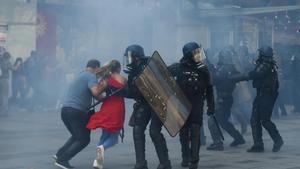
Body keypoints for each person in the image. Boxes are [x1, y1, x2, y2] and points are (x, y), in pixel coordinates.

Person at [121, 44, 171, 169]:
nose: (128, 60)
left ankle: (165, 163)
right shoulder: (132, 72)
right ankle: (141, 163)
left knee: (154, 132)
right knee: (137, 130)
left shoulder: (151, 66)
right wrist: (120, 92)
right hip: (144, 103)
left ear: (136, 57)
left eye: (130, 57)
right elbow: (134, 92)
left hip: (158, 103)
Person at [168, 42, 214, 169]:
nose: (199, 55)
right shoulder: (177, 68)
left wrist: (211, 106)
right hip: (182, 105)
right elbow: (163, 77)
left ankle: (194, 161)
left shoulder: (203, 69)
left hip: (197, 104)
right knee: (183, 133)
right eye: (196, 52)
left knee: (195, 132)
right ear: (189, 55)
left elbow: (209, 89)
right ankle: (185, 157)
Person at [54, 59, 104, 169]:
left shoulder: (80, 75)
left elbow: (92, 95)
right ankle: (63, 160)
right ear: (96, 68)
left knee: (77, 136)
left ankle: (59, 154)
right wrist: (105, 92)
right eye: (98, 70)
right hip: (76, 111)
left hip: (66, 110)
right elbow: (96, 92)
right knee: (84, 139)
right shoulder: (91, 76)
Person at [86, 60, 126, 169]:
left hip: (107, 107)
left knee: (104, 136)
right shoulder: (123, 79)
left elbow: (97, 93)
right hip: (118, 109)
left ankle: (98, 162)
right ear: (118, 68)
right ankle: (102, 149)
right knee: (113, 139)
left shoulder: (106, 79)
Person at [244, 46, 284, 153]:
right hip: (264, 95)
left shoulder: (265, 65)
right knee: (255, 119)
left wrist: (249, 73)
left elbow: (256, 73)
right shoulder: (271, 64)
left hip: (265, 95)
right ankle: (258, 144)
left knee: (265, 120)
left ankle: (278, 140)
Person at [206, 49, 245, 151]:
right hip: (227, 98)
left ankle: (217, 143)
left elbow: (214, 80)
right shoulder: (231, 67)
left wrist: (210, 68)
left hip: (222, 99)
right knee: (223, 121)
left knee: (212, 120)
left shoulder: (223, 69)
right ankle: (238, 138)